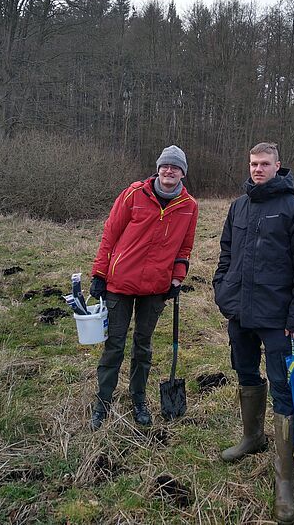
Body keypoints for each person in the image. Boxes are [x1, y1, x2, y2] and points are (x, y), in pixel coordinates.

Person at [213, 142, 294, 525]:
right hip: (240, 313)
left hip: (277, 319)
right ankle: (252, 438)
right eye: (253, 164)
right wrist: (221, 290)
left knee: (283, 389)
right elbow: (226, 252)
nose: (258, 169)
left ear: (278, 166)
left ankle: (285, 479)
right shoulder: (238, 206)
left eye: (265, 164)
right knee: (244, 373)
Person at [89, 145, 198, 430]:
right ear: (158, 168)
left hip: (156, 287)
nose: (169, 171)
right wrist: (100, 273)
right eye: (165, 166)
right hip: (120, 283)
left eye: (175, 167)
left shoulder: (189, 206)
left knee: (143, 346)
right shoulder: (134, 194)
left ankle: (138, 399)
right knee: (114, 345)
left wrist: (178, 278)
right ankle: (102, 402)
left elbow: (185, 247)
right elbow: (110, 234)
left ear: (182, 173)